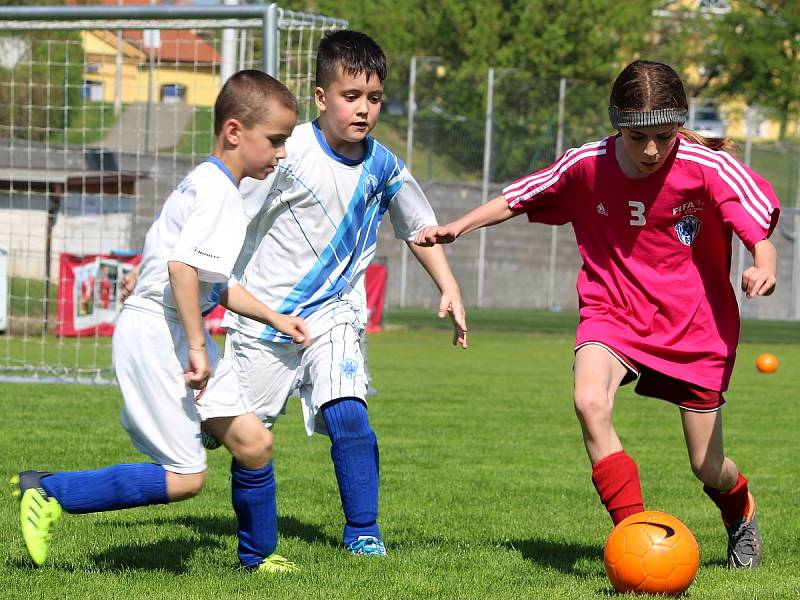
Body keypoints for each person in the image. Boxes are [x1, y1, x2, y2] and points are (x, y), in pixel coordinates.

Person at [416, 60, 779, 569]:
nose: (651, 150)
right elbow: (520, 196)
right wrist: (460, 226)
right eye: (637, 137)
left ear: (679, 124)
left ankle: (739, 509)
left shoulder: (707, 167)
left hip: (696, 326)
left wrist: (763, 264)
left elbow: (755, 227)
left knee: (706, 464)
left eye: (663, 135)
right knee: (589, 400)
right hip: (613, 311)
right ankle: (636, 537)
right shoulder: (588, 163)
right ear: (617, 125)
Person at [12, 70, 311, 573]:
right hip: (157, 334)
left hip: (173, 328)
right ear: (235, 131)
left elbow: (212, 284)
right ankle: (49, 491)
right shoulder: (216, 192)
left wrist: (276, 317)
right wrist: (198, 348)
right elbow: (181, 269)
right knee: (185, 478)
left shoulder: (209, 183)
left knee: (253, 444)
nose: (281, 154)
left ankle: (259, 559)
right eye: (276, 141)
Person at [213, 30, 468, 557]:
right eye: (351, 97)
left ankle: (363, 533)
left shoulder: (385, 166)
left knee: (349, 416)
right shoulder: (285, 153)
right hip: (265, 320)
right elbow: (229, 214)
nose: (364, 109)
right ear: (320, 96)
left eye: (374, 98)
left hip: (335, 316)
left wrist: (449, 286)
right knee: (227, 441)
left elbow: (419, 229)